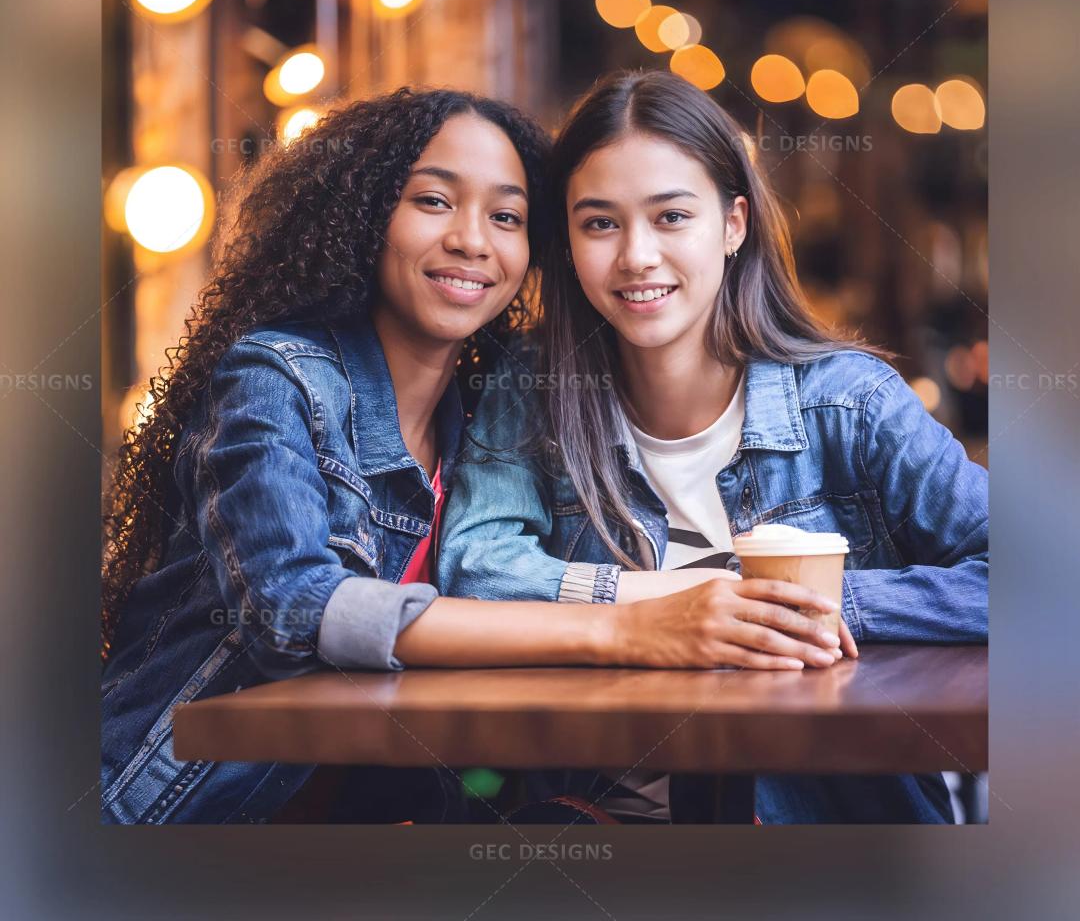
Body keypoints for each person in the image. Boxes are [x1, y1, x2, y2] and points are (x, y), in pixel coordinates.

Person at [100, 86, 787, 825]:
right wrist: (632, 625)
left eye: (507, 217)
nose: (472, 240)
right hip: (169, 820)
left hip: (370, 828)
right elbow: (294, 609)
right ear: (366, 216)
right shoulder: (278, 377)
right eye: (433, 202)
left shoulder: (490, 416)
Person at [438, 70, 988, 824]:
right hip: (593, 840)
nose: (636, 256)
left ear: (732, 226)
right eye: (600, 224)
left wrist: (816, 610)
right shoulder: (535, 388)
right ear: (565, 241)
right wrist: (673, 610)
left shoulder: (848, 402)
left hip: (821, 844)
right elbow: (476, 569)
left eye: (670, 217)